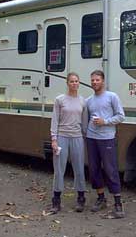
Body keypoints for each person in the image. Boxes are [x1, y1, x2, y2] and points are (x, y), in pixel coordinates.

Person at [86, 70, 126, 218]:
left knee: (111, 170)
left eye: (97, 80)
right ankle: (101, 198)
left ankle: (118, 204)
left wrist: (105, 122)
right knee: (94, 170)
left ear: (103, 81)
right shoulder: (89, 100)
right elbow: (87, 118)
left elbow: (121, 116)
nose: (94, 82)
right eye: (92, 80)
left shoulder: (112, 97)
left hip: (107, 138)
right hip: (91, 138)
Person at [49, 72, 88, 214]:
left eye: (76, 81)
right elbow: (54, 120)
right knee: (59, 169)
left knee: (79, 168)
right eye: (72, 81)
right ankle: (56, 200)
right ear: (67, 83)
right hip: (62, 137)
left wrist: (85, 137)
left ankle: (81, 197)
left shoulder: (83, 101)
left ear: (79, 83)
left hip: (77, 137)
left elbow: (84, 123)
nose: (74, 84)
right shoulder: (60, 100)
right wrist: (54, 139)